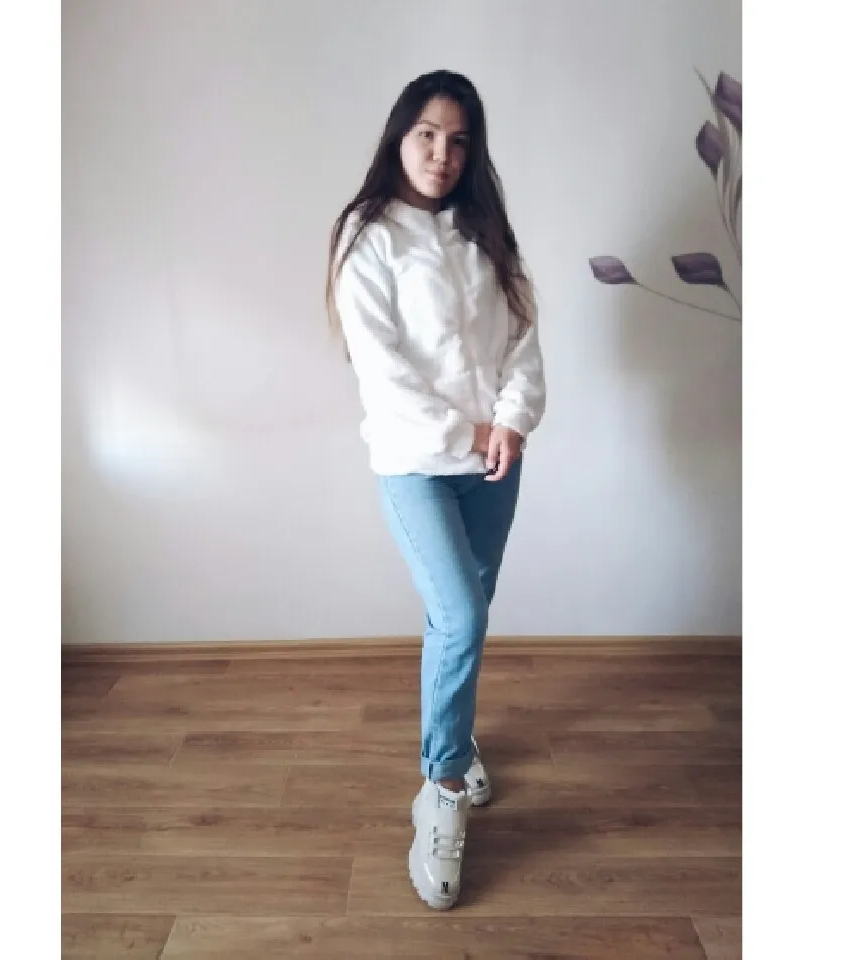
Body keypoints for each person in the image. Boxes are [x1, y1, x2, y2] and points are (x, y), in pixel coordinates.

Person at [325, 69, 546, 910]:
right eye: (426, 133)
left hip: (495, 462)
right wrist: (473, 433)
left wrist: (512, 421)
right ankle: (442, 788)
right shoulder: (367, 237)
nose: (441, 153)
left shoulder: (487, 231)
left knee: (462, 613)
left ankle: (454, 736)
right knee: (460, 616)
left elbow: (523, 338)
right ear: (399, 136)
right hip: (417, 463)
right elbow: (384, 374)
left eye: (458, 139)